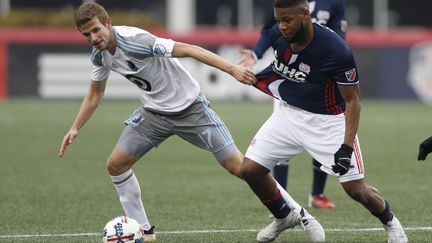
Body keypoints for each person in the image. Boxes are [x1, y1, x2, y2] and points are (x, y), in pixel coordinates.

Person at [58, 2, 324, 243]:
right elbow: (95, 92)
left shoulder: (137, 40)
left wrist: (231, 69)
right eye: (87, 35)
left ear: (107, 22)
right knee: (116, 165)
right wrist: (75, 127)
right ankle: (144, 232)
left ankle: (298, 214)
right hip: (154, 115)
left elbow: (189, 49)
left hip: (192, 109)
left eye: (95, 30)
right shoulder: (99, 55)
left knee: (243, 168)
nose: (93, 39)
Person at [239, 0, 408, 242]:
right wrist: (254, 57)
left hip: (328, 123)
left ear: (305, 14)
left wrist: (346, 147)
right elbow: (270, 39)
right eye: (278, 20)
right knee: (250, 170)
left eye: (287, 20)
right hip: (287, 114)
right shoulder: (279, 35)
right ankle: (287, 215)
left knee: (356, 190)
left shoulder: (336, 50)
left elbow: (353, 102)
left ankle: (391, 223)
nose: (282, 26)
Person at [239, 0, 347, 209]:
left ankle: (317, 194)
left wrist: (335, 60)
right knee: (279, 141)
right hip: (288, 75)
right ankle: (284, 201)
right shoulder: (285, 3)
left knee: (322, 130)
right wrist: (255, 54)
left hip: (318, 74)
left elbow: (339, 33)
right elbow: (269, 29)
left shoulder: (334, 2)